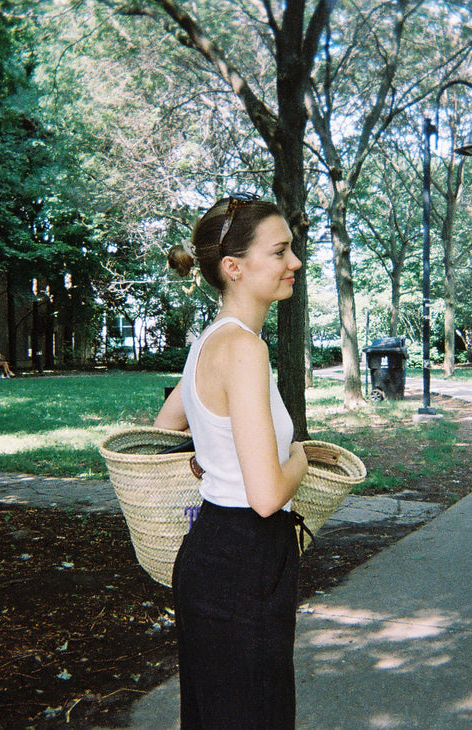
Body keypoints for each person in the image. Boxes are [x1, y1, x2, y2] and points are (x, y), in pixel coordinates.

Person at [154, 194, 308, 729]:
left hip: (210, 555)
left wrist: (208, 453)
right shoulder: (244, 348)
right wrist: (302, 457)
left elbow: (164, 426)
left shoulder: (207, 343)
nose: (295, 263)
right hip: (247, 559)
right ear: (234, 267)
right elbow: (267, 496)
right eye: (281, 251)